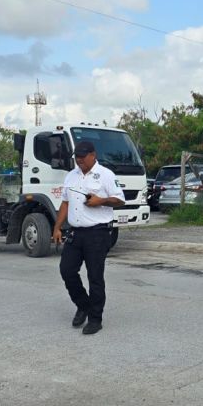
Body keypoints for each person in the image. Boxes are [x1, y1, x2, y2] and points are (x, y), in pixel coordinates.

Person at [52, 139, 125, 335]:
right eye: (77, 157)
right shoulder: (71, 176)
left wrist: (102, 200)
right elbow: (65, 203)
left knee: (95, 277)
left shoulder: (106, 175)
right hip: (75, 233)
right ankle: (83, 305)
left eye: (83, 157)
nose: (80, 160)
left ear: (94, 155)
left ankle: (95, 319)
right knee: (66, 271)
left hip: (97, 233)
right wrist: (57, 227)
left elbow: (120, 199)